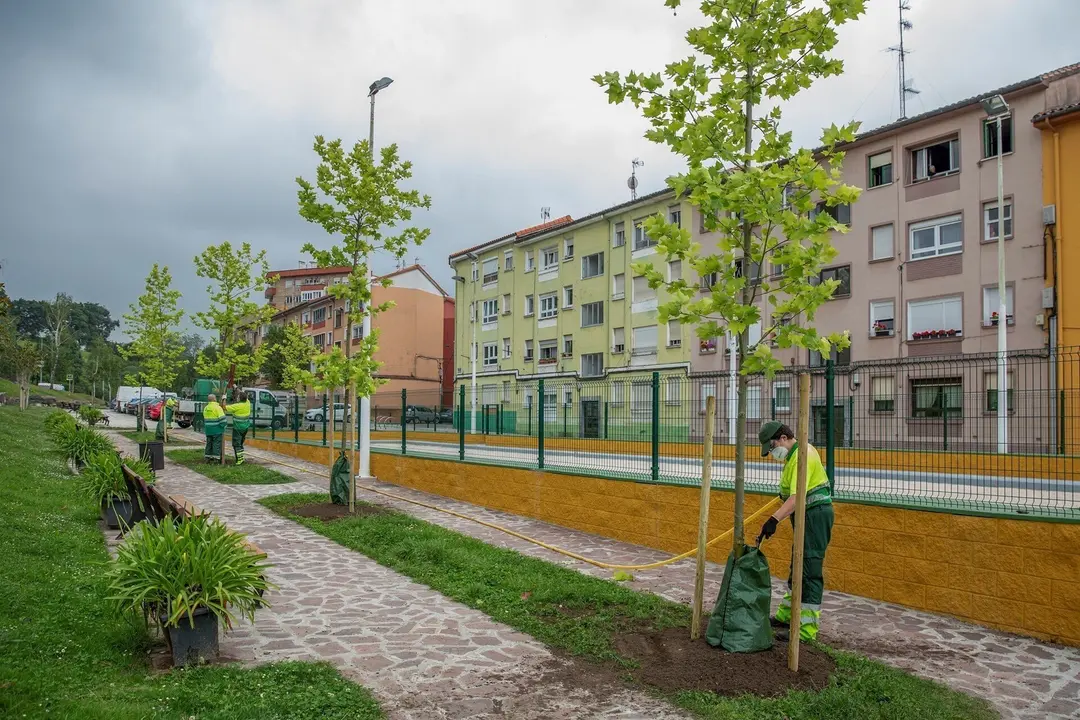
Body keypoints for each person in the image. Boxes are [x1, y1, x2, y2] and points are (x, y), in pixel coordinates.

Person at [756, 420, 834, 641]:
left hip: (815, 515)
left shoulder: (803, 456)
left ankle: (806, 631)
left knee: (809, 570)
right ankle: (787, 617)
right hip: (805, 515)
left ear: (783, 438)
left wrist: (774, 519)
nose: (773, 453)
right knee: (797, 565)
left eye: (772, 448)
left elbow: (796, 496)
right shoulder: (792, 458)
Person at [225, 390, 253, 465]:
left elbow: (224, 407)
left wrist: (223, 398)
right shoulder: (248, 403)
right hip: (245, 427)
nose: (237, 397)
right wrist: (236, 389)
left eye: (238, 397)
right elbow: (244, 396)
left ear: (239, 399)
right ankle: (241, 458)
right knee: (240, 444)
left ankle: (239, 460)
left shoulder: (236, 406)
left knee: (236, 444)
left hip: (237, 428)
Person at [202, 394, 227, 463]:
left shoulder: (206, 408)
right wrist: (223, 426)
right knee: (216, 444)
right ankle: (216, 459)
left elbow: (204, 417)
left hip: (208, 429)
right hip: (217, 429)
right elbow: (222, 420)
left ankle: (207, 458)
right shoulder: (217, 408)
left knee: (209, 443)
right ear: (214, 399)